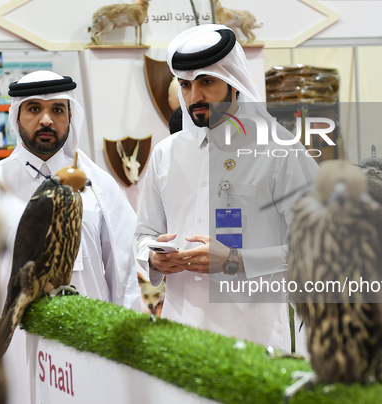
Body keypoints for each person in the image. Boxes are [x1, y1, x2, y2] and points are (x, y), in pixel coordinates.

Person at [0, 70, 140, 403]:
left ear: (70, 116)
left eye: (57, 109)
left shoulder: (99, 186)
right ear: (17, 116)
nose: (46, 119)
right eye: (34, 109)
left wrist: (127, 347)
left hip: (86, 345)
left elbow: (125, 273)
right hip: (12, 349)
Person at [135, 25, 319, 351]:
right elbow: (143, 234)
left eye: (207, 82)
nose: (195, 97)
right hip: (181, 333)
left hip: (256, 338)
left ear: (233, 83)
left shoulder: (280, 150)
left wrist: (235, 259)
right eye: (186, 85)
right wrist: (152, 257)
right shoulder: (166, 154)